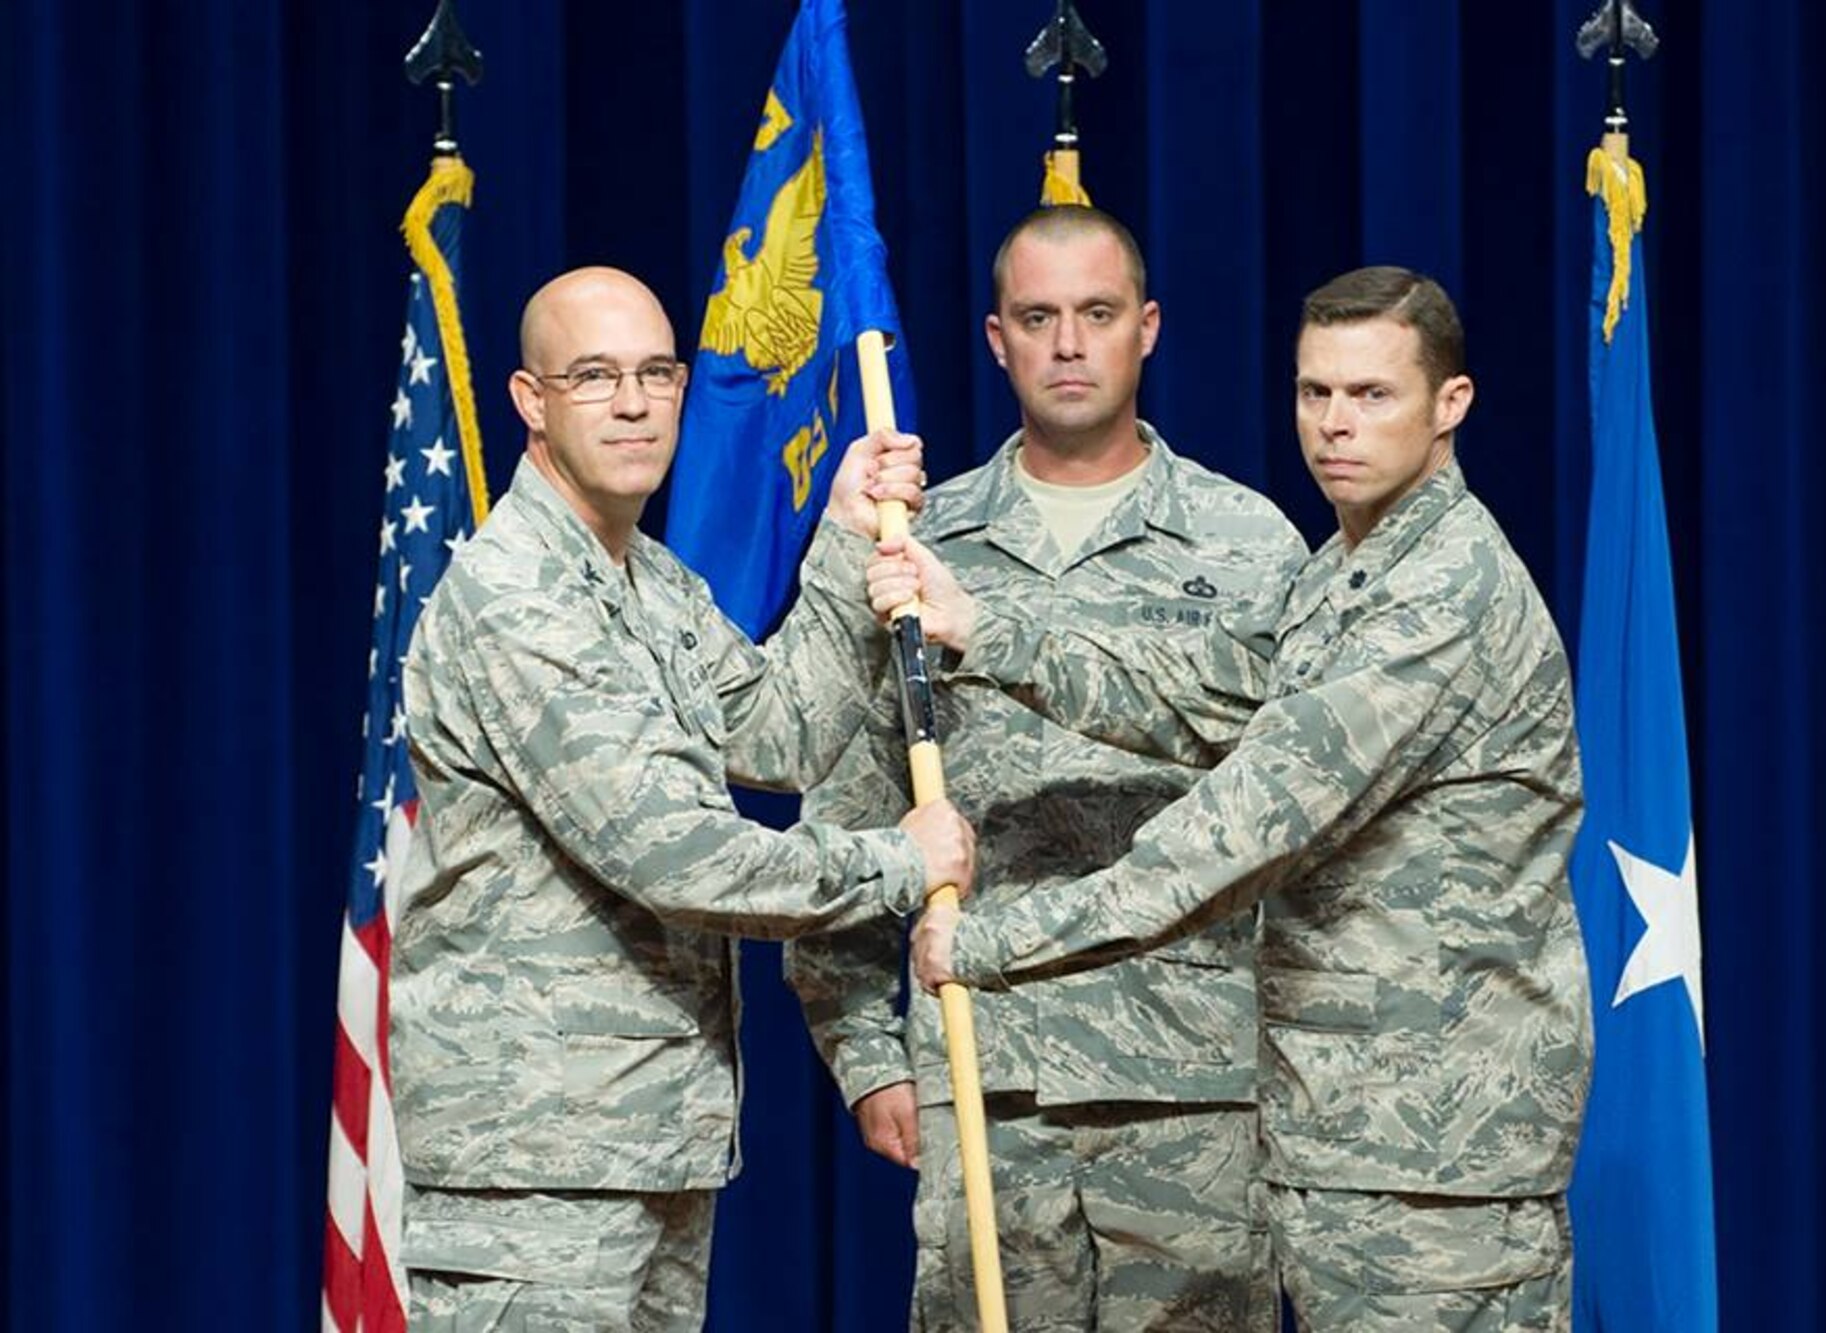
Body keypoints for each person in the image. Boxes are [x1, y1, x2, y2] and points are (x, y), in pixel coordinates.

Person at [891, 266, 1592, 1331]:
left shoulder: (1440, 592)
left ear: (1448, 405)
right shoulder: (1345, 572)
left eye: (1371, 395)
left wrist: (987, 944)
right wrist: (983, 630)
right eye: (1315, 393)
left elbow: (1238, 830)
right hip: (1343, 1138)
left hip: (1437, 1160)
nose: (1334, 426)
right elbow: (1203, 687)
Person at [390, 266, 975, 1331]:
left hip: (644, 1141)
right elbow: (675, 855)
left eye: (655, 372)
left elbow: (782, 732)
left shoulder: (646, 579)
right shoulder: (518, 594)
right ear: (531, 400)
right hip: (534, 1168)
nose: (632, 402)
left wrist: (845, 538)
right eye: (595, 376)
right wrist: (898, 863)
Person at [785, 207, 1308, 1331]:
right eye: (1037, 317)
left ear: (1147, 329)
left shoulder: (1251, 543)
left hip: (1192, 1082)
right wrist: (865, 1052)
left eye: (1096, 314)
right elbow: (848, 808)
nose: (1067, 344)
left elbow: (1298, 799)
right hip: (989, 1074)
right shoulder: (917, 540)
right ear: (995, 339)